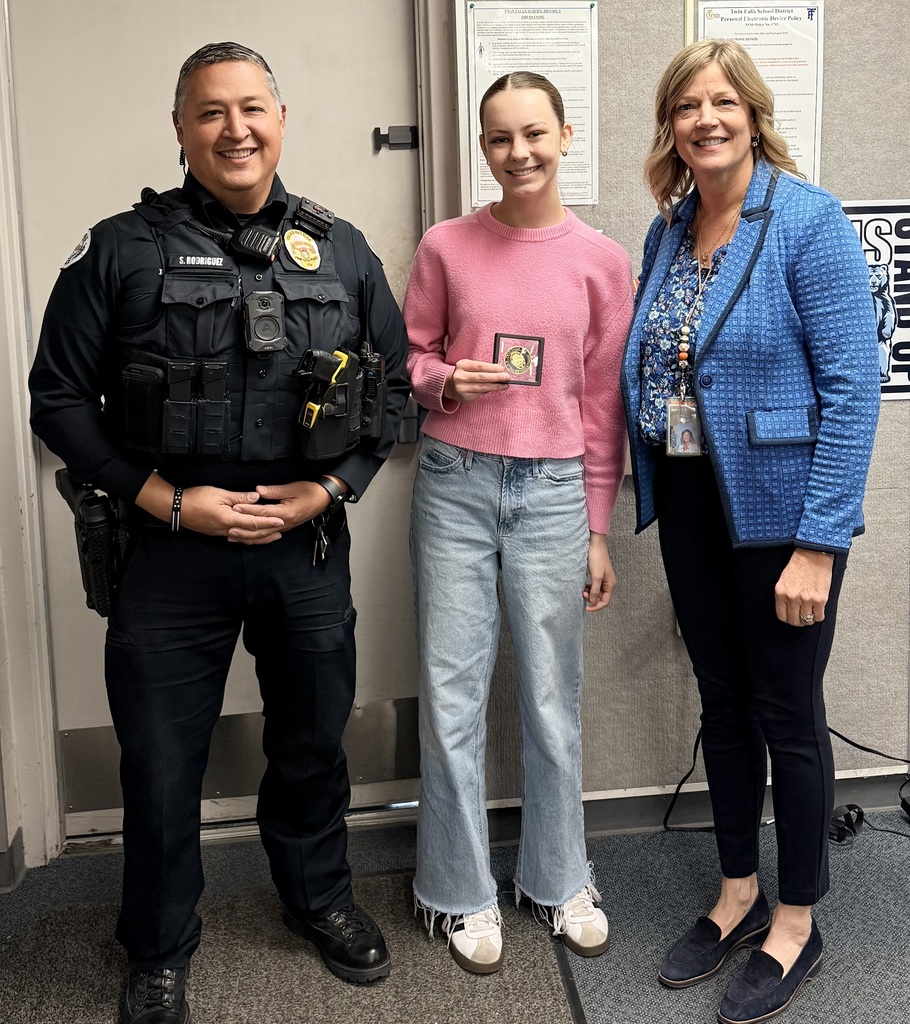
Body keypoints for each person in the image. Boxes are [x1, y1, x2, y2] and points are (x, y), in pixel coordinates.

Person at [29, 41, 409, 1023]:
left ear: (281, 119)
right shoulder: (118, 249)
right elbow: (57, 399)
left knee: (312, 741)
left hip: (303, 547)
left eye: (252, 108)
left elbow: (393, 397)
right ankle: (156, 945)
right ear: (181, 130)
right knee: (159, 760)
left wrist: (334, 490)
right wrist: (159, 496)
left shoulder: (345, 249)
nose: (235, 129)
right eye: (210, 112)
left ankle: (318, 896)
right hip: (169, 547)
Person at [620, 39, 879, 1024]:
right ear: (670, 124)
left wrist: (819, 541)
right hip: (690, 498)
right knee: (722, 704)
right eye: (686, 105)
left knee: (785, 712)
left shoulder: (804, 221)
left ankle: (796, 918)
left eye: (721, 101)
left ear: (753, 111)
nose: (704, 119)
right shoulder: (669, 227)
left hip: (781, 512)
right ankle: (736, 892)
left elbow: (852, 389)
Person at [404, 71, 633, 974]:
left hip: (553, 492)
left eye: (534, 134)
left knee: (551, 699)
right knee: (452, 696)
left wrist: (598, 525)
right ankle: (460, 893)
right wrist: (443, 381)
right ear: (483, 147)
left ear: (566, 136)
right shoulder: (446, 246)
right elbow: (412, 356)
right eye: (500, 138)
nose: (519, 153)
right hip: (455, 482)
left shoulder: (602, 260)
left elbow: (605, 401)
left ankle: (559, 877)